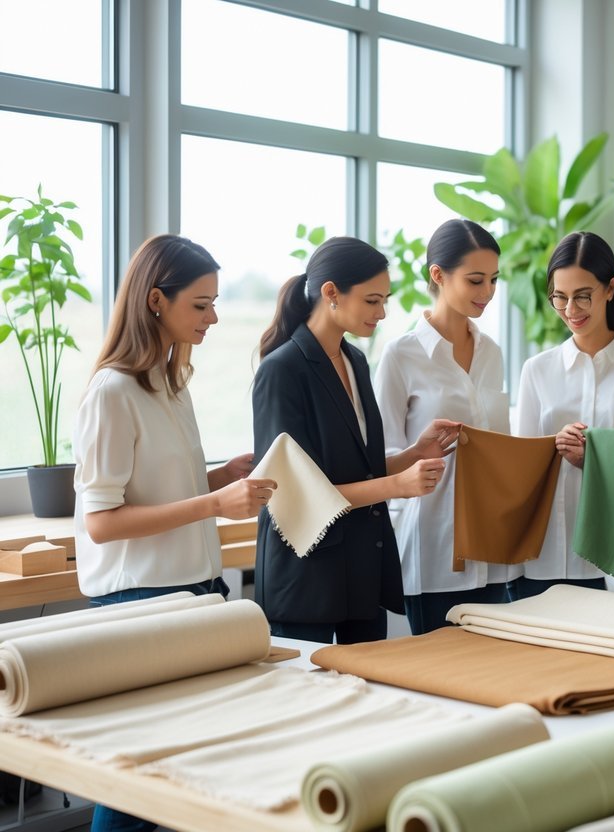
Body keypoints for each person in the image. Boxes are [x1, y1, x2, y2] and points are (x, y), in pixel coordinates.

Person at [72, 233, 273, 832]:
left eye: (214, 304)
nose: (214, 317)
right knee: (136, 775)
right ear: (157, 300)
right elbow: (102, 522)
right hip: (141, 604)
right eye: (202, 305)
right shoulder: (112, 392)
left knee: (184, 771)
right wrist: (213, 500)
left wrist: (218, 475)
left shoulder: (171, 383)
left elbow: (157, 488)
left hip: (195, 594)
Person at [253, 236, 454, 645]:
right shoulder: (282, 371)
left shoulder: (356, 361)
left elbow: (360, 469)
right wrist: (398, 486)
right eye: (372, 300)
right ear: (331, 293)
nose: (382, 312)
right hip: (306, 580)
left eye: (385, 300)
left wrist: (414, 454)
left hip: (361, 574)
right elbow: (298, 494)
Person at [512, 232, 614, 600]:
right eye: (560, 297)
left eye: (583, 295)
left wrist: (597, 456)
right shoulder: (536, 370)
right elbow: (522, 469)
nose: (571, 309)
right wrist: (553, 447)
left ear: (610, 289)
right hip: (550, 553)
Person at [375, 219, 514, 634]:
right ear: (438, 275)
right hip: (432, 548)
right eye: (475, 280)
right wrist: (419, 455)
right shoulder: (401, 356)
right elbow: (379, 459)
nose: (487, 292)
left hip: (491, 548)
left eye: (493, 280)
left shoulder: (492, 353)